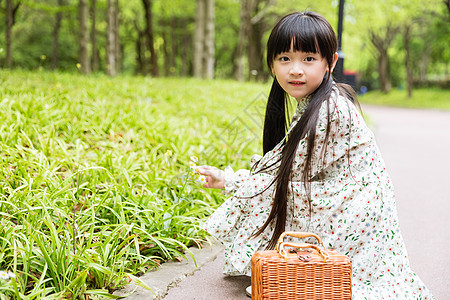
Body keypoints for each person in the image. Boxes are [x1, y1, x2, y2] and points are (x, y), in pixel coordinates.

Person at [197, 11, 434, 299]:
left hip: (356, 207)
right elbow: (283, 167)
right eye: (285, 59)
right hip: (351, 201)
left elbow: (283, 175)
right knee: (276, 188)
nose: (295, 70)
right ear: (272, 64)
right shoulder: (319, 100)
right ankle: (297, 272)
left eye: (308, 59)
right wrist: (235, 180)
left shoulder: (329, 109)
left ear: (330, 62)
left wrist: (229, 181)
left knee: (273, 192)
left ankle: (297, 276)